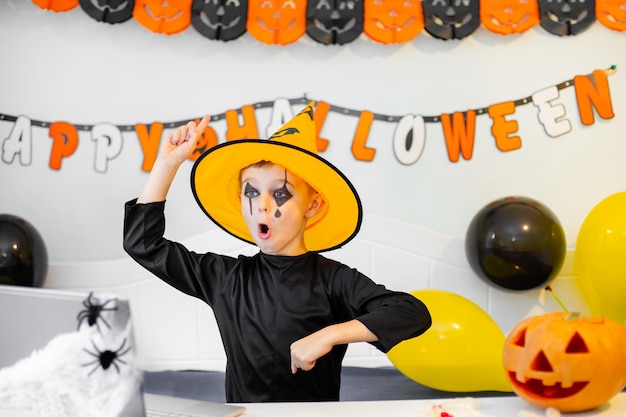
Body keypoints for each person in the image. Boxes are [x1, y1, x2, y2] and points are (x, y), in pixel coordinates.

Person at [123, 102, 432, 403]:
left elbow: (412, 312)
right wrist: (166, 166)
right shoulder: (224, 278)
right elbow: (143, 244)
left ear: (312, 205)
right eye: (252, 192)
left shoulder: (334, 280)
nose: (263, 205)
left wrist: (329, 335)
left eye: (281, 193)